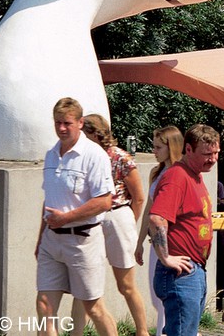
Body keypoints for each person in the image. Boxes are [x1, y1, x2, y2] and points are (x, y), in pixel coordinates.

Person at [35, 98, 116, 336]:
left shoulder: (94, 155)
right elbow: (48, 201)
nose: (61, 128)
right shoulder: (51, 154)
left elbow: (104, 201)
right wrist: (40, 239)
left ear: (80, 123)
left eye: (67, 123)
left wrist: (67, 218)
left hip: (82, 241)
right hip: (52, 242)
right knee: (44, 305)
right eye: (57, 123)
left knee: (94, 307)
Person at [72, 114, 149, 336]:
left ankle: (142, 331)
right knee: (84, 284)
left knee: (125, 284)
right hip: (91, 219)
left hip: (116, 215)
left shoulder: (120, 157)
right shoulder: (83, 158)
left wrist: (128, 224)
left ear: (95, 134)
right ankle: (76, 332)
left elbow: (139, 197)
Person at [149, 124, 221, 336]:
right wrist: (166, 258)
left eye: (216, 153)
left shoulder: (195, 174)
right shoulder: (177, 177)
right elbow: (156, 218)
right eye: (207, 154)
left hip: (192, 270)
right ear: (188, 149)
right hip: (180, 274)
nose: (213, 159)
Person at [135, 125, 183, 336]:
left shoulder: (181, 173)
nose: (154, 151)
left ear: (171, 147)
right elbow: (149, 208)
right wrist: (138, 242)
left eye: (158, 147)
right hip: (156, 240)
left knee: (168, 294)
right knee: (157, 295)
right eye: (153, 147)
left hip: (173, 240)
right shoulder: (157, 172)